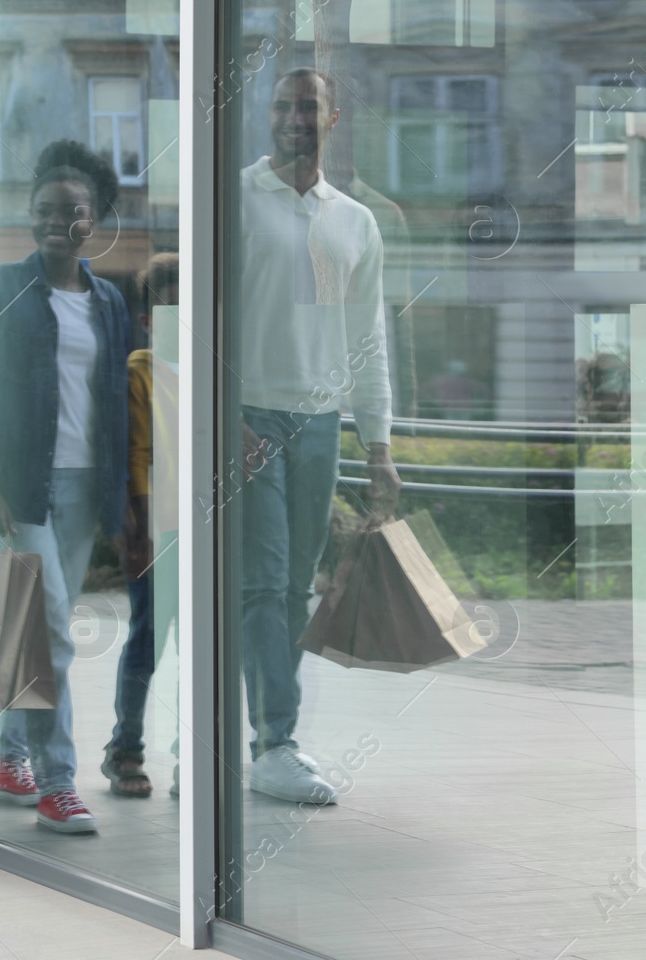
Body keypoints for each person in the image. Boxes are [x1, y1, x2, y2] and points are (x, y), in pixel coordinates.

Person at [235, 68, 400, 805]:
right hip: (249, 416)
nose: (295, 116)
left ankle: (230, 731)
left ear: (334, 117)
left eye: (309, 106)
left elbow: (367, 340)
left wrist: (380, 446)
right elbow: (201, 315)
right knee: (265, 585)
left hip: (320, 424)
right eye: (282, 105)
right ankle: (275, 743)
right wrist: (221, 417)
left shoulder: (352, 221)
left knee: (292, 588)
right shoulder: (236, 197)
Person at [0, 139, 132, 834]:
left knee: (35, 629)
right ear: (30, 215)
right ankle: (59, 782)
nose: (57, 220)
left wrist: (128, 499)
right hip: (25, 487)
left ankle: (7, 756)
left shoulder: (111, 300)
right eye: (44, 209)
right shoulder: (1, 287)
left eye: (74, 210)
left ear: (95, 219)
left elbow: (120, 396)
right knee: (53, 630)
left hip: (87, 484)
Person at [103, 254, 180, 799]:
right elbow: (135, 455)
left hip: (206, 532)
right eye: (167, 308)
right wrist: (138, 527)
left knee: (205, 647)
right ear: (149, 318)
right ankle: (125, 748)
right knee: (147, 639)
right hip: (159, 528)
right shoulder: (140, 373)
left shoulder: (213, 369)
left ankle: (194, 756)